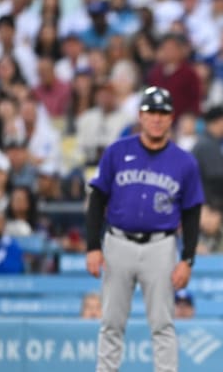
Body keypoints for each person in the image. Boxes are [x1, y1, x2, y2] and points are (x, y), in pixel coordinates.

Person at [84, 86, 204, 372]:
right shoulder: (117, 151)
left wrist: (187, 259)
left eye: (162, 113)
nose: (157, 119)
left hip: (160, 245)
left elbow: (192, 213)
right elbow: (96, 199)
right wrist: (92, 246)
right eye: (151, 112)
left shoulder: (184, 161)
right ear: (140, 115)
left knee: (162, 324)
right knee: (112, 322)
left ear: (171, 117)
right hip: (118, 242)